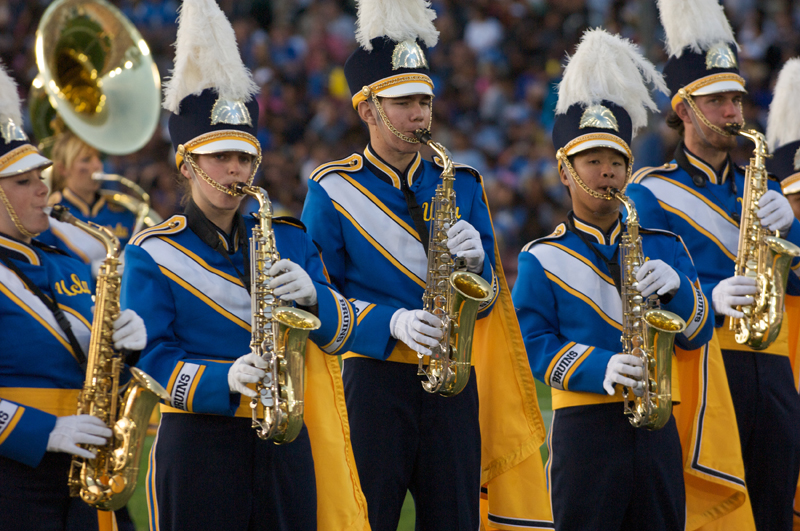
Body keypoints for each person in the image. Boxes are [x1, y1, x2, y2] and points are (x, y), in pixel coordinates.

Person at [301, 0, 551, 529]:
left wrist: (480, 266)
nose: (420, 114)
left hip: (454, 381)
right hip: (374, 382)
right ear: (367, 109)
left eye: (425, 101)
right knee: (370, 519)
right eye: (404, 102)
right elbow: (317, 303)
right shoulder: (333, 190)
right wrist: (389, 323)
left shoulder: (460, 182)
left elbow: (486, 305)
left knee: (456, 519)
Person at [120, 1, 366, 530]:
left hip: (286, 438)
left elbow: (339, 332)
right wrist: (222, 379)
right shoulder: (151, 253)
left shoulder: (289, 237)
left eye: (245, 158)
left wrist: (314, 298)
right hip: (199, 443)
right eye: (220, 157)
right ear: (187, 164)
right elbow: (149, 359)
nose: (235, 169)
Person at [512, 28, 714, 531]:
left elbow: (701, 330)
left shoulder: (664, 244)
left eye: (617, 162)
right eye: (593, 161)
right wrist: (599, 367)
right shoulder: (543, 257)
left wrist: (681, 292)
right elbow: (533, 345)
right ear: (565, 171)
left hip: (658, 423)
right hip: (584, 427)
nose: (606, 172)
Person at [626, 1, 800, 528]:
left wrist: (793, 222)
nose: (732, 112)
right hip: (703, 364)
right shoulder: (649, 190)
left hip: (772, 363)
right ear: (684, 110)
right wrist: (709, 295)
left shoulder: (765, 187)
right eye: (718, 100)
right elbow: (647, 286)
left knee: (774, 507)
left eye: (736, 100)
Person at [0, 61, 147, 531]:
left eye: (41, 177)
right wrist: (44, 431)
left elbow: (98, 363)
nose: (43, 190)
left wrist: (128, 346)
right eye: (24, 183)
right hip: (15, 473)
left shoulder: (65, 258)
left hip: (90, 460)